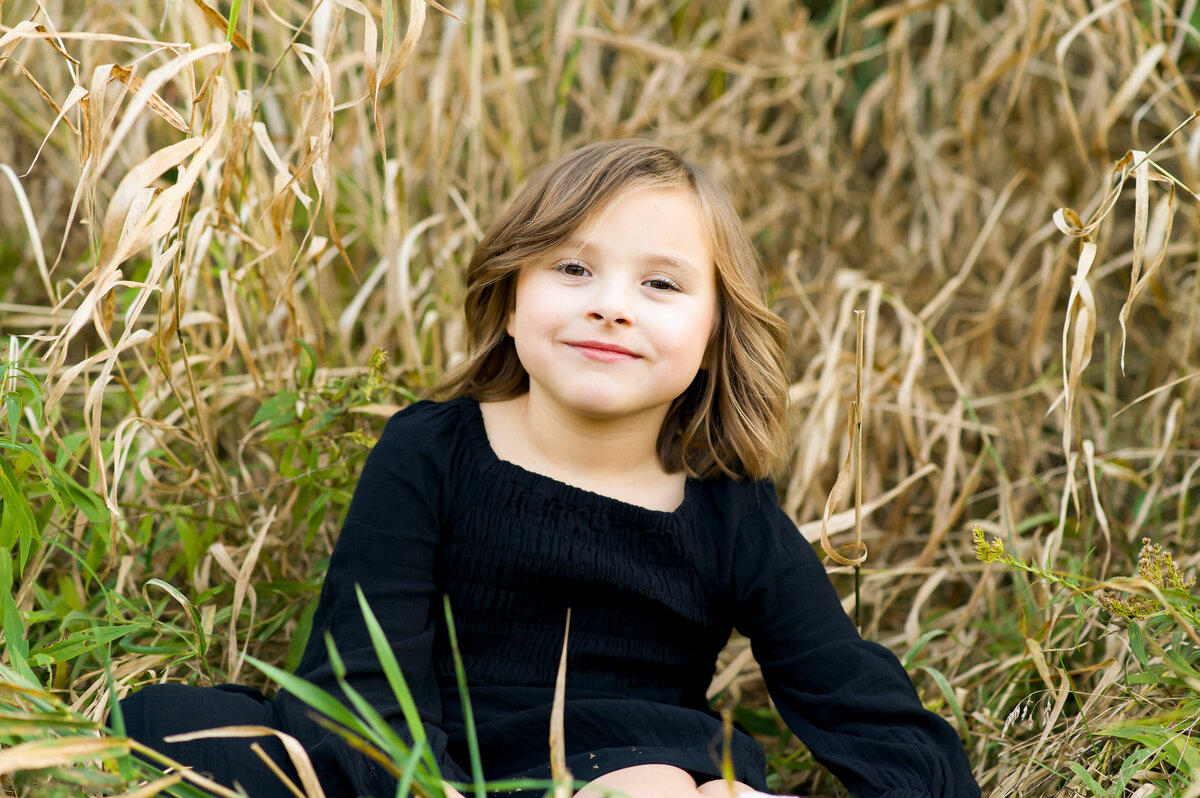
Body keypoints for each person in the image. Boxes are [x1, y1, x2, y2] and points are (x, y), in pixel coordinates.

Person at [119, 139, 980, 798]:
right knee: (169, 729)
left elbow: (857, 700)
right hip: (433, 757)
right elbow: (357, 671)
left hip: (626, 761)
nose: (609, 303)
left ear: (717, 335)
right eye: (572, 268)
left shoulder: (729, 513)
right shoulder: (432, 452)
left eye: (662, 286)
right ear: (511, 296)